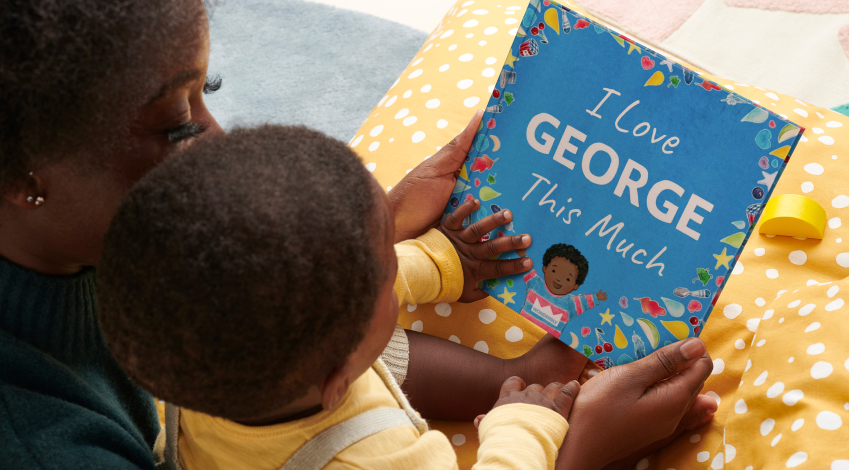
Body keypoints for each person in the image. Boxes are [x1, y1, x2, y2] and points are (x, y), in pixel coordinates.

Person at [0, 0, 714, 467]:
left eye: (207, 92)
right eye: (176, 124)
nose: (216, 140)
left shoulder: (184, 303)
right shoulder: (45, 442)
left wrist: (384, 238)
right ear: (20, 177)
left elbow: (311, 308)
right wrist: (574, 450)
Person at [97, 124, 584, 469]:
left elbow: (312, 284)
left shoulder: (191, 359)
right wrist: (522, 431)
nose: (397, 260)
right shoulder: (376, 458)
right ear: (340, 384)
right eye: (389, 265)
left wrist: (443, 262)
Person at [519, 243, 607, 338]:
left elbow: (584, 302)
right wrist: (523, 256)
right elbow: (527, 269)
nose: (559, 279)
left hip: (544, 345)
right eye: (554, 271)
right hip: (521, 330)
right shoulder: (535, 284)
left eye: (568, 279)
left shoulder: (569, 304)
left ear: (576, 285)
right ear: (545, 268)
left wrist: (596, 297)